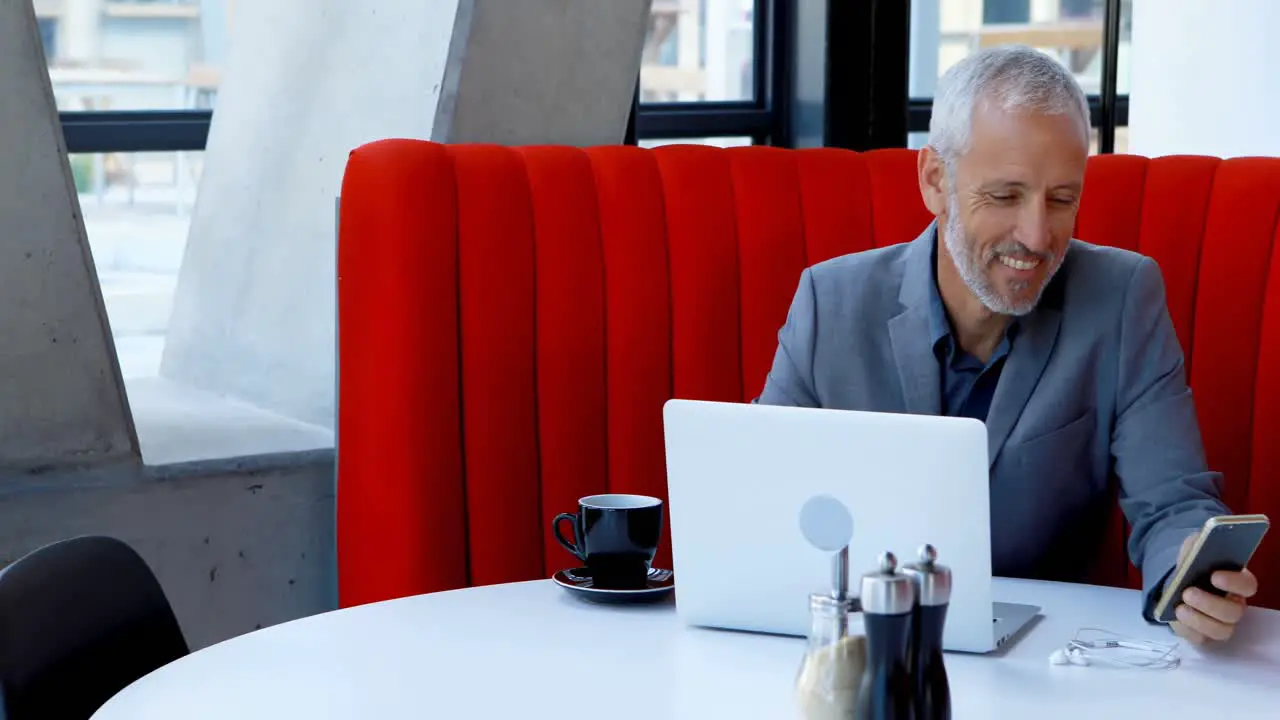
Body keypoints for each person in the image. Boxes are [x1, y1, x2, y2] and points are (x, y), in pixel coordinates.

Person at [755, 45, 1260, 644]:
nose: (1037, 235)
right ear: (935, 180)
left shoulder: (1123, 298)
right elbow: (763, 501)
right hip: (863, 647)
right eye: (1004, 196)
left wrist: (1189, 577)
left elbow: (1173, 503)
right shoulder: (829, 303)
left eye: (1062, 200)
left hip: (1045, 660)